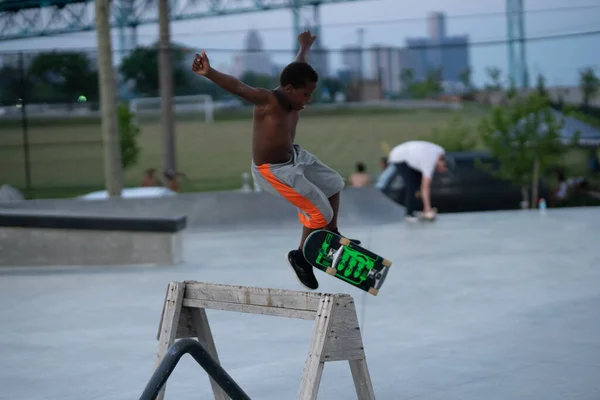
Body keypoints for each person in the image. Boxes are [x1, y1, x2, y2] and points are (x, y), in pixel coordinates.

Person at [191, 30, 359, 291]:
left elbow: (299, 65)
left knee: (334, 183)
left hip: (294, 158)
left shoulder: (295, 88)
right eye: (305, 95)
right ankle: (301, 257)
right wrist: (209, 72)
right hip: (273, 171)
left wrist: (303, 45)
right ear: (289, 90)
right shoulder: (267, 101)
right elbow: (238, 87)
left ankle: (330, 235)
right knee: (319, 211)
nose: (308, 100)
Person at [386, 140, 448, 221]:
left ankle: (420, 209)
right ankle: (409, 214)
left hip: (411, 156)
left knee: (418, 184)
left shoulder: (441, 151)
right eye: (438, 170)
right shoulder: (429, 163)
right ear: (440, 163)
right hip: (399, 158)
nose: (436, 171)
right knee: (411, 185)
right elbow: (425, 187)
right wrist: (428, 208)